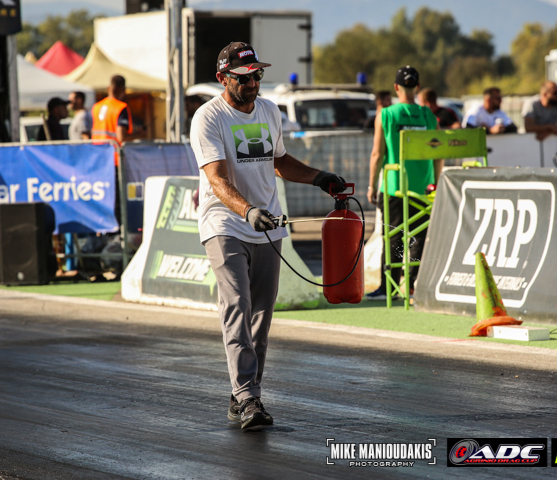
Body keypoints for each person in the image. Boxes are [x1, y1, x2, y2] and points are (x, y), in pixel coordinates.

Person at [190, 42, 345, 430]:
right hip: (225, 223)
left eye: (257, 75)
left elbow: (279, 161)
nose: (253, 83)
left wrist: (318, 178)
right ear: (223, 78)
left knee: (261, 315)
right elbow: (217, 180)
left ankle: (244, 393)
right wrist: (247, 211)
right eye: (244, 78)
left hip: (267, 225)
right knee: (238, 305)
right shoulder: (208, 118)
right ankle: (248, 398)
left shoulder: (270, 111)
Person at [366, 66, 444, 300]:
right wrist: (436, 183)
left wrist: (372, 185)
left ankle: (388, 288)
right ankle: (410, 284)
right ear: (417, 87)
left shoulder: (386, 114)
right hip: (422, 188)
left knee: (393, 237)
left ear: (396, 87)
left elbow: (377, 154)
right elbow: (439, 155)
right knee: (418, 237)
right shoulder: (428, 115)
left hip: (394, 186)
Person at [91, 75, 133, 148]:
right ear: (124, 90)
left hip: (97, 151)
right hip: (114, 152)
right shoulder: (121, 107)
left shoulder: (96, 106)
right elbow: (121, 138)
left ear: (108, 88)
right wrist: (139, 135)